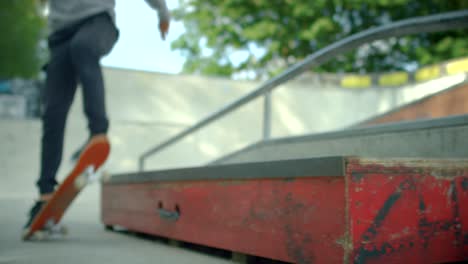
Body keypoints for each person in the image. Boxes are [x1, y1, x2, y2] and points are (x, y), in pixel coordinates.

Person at [23, 0, 170, 232]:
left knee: (82, 48)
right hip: (60, 35)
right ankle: (45, 193)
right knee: (52, 112)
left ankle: (98, 131)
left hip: (98, 23)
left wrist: (162, 12)